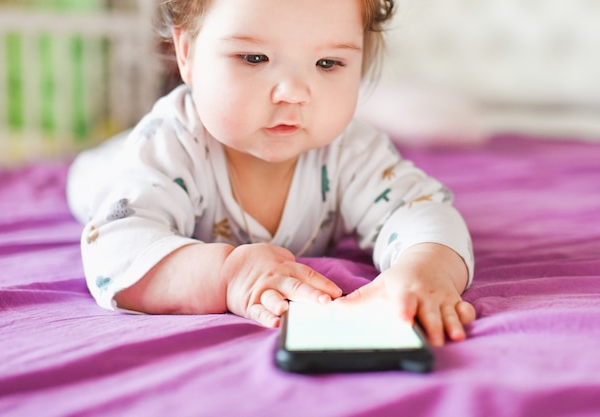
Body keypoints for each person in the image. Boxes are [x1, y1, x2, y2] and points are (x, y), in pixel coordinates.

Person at [66, 0, 476, 347]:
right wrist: (229, 274)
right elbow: (114, 251)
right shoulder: (171, 146)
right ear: (187, 53)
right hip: (106, 172)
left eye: (328, 63)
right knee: (101, 176)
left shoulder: (351, 151)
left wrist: (424, 268)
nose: (294, 92)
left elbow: (421, 210)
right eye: (254, 58)